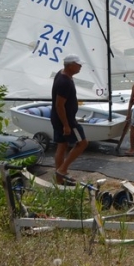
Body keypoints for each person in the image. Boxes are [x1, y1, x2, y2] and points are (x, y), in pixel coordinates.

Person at [50, 54, 89, 184]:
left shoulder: (62, 74)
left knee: (62, 145)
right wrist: (66, 125)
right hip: (66, 119)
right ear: (70, 65)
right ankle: (62, 170)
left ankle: (59, 180)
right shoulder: (64, 82)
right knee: (82, 143)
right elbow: (59, 105)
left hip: (57, 118)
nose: (80, 67)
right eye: (78, 64)